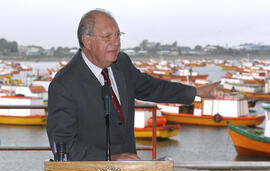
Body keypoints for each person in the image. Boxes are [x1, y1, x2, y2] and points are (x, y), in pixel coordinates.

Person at [47, 9, 219, 161]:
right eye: (107, 37)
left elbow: (152, 87)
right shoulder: (64, 84)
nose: (116, 43)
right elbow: (63, 146)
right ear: (87, 41)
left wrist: (196, 91)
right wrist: (111, 159)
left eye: (118, 35)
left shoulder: (121, 63)